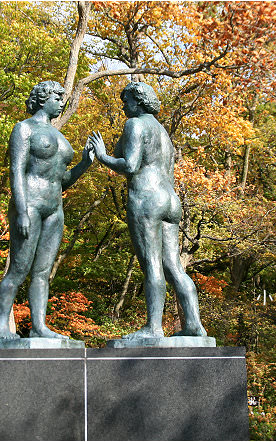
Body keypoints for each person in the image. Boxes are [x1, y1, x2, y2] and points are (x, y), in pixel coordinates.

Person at [87, 82, 207, 339]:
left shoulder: (135, 124)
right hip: (170, 201)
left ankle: (153, 328)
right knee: (174, 267)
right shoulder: (163, 132)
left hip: (147, 199)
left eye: (126, 101)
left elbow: (129, 165)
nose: (123, 106)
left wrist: (101, 156)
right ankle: (195, 325)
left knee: (152, 266)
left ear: (138, 102)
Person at [0, 80, 93, 339]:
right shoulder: (23, 129)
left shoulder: (60, 136)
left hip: (54, 208)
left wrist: (84, 164)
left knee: (42, 272)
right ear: (42, 98)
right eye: (57, 97)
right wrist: (22, 211)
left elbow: (63, 180)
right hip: (31, 204)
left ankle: (39, 327)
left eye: (62, 98)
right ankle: (1, 326)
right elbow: (17, 171)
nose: (61, 102)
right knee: (19, 269)